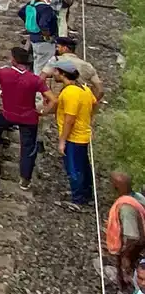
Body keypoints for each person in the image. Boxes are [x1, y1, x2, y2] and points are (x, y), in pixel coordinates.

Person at [0, 46, 53, 190]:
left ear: (13, 60)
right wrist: (44, 111)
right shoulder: (35, 80)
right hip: (28, 118)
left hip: (7, 113)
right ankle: (25, 180)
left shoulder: (2, 73)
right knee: (28, 148)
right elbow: (54, 100)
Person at [52, 58, 96, 209]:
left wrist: (62, 141)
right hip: (83, 134)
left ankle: (77, 199)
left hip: (74, 137)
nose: (54, 73)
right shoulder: (85, 89)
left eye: (56, 71)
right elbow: (94, 104)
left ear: (63, 74)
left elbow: (69, 120)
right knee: (83, 165)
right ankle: (87, 194)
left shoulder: (70, 93)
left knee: (74, 168)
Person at [107, 173, 145, 290]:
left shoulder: (126, 207)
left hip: (134, 246)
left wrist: (126, 255)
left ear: (116, 187)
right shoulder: (138, 197)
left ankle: (127, 288)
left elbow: (133, 237)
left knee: (128, 270)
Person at [23, 0, 59, 73]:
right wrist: (47, 37)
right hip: (44, 42)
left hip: (33, 38)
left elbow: (21, 13)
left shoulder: (31, 4)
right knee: (44, 67)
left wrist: (30, 22)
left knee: (37, 63)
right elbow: (43, 24)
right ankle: (38, 85)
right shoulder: (46, 8)